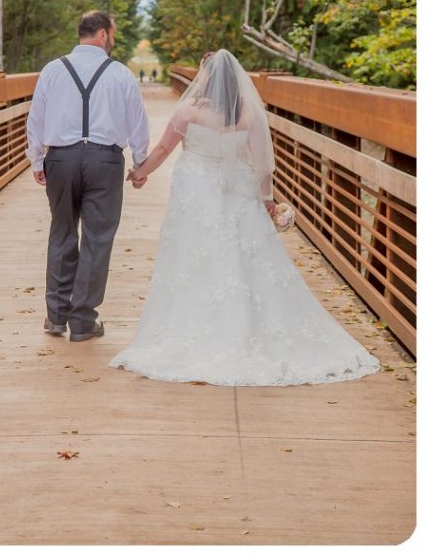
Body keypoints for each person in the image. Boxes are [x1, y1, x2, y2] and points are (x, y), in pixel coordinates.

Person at [111, 49, 380, 385]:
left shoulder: (189, 110)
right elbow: (263, 164)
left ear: (204, 76)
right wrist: (267, 201)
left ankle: (195, 330)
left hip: (196, 193)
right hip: (238, 192)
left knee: (193, 259)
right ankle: (247, 330)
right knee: (240, 258)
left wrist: (139, 172)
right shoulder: (250, 111)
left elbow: (164, 149)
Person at [25, 11, 150, 341]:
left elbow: (36, 118)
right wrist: (140, 163)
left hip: (61, 159)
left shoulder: (53, 70)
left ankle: (55, 316)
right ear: (104, 35)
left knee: (62, 231)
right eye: (114, 33)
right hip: (104, 161)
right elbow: (137, 122)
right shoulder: (121, 75)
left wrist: (36, 159)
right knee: (97, 238)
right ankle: (82, 321)